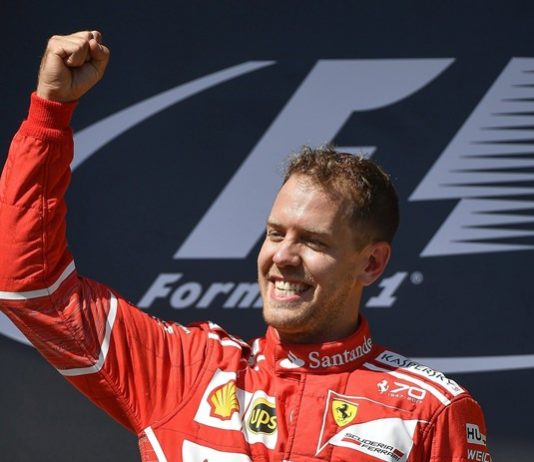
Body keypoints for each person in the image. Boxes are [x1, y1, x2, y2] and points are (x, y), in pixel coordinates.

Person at [0, 31, 492, 462]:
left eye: (313, 241)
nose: (283, 257)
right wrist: (49, 114)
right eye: (276, 233)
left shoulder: (430, 411)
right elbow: (31, 289)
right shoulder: (184, 370)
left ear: (372, 263)